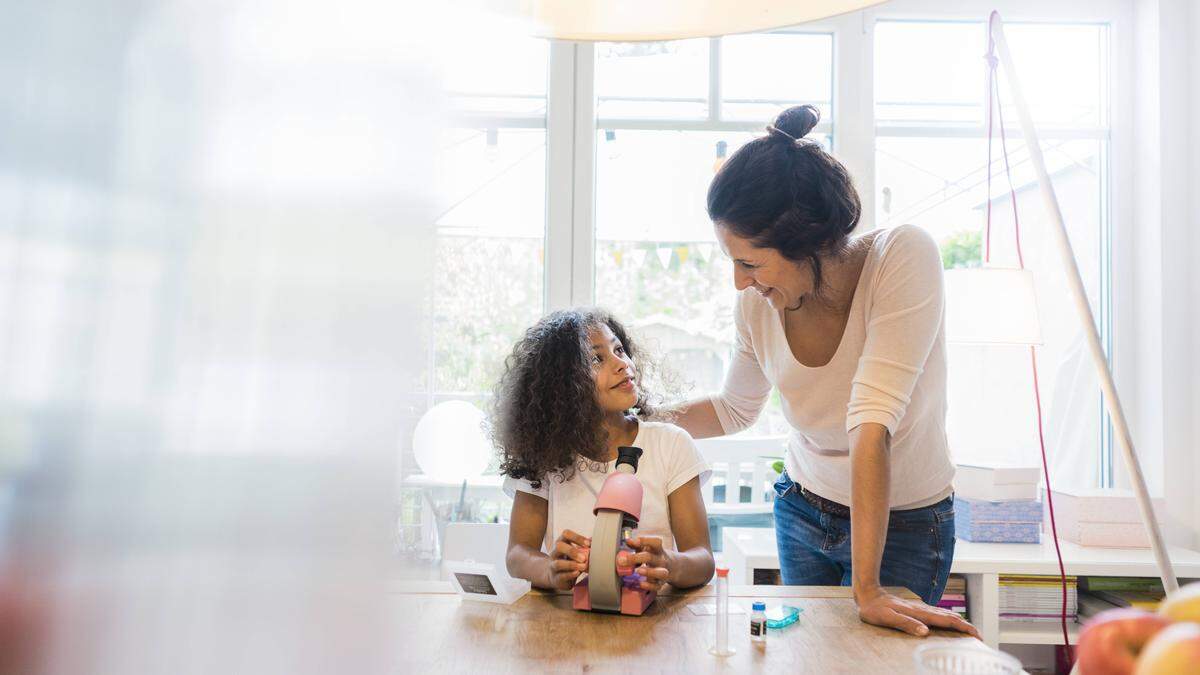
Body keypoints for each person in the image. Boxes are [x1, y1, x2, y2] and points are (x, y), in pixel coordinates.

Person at [673, 104, 978, 638]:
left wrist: (869, 591)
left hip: (904, 522)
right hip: (803, 508)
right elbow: (733, 409)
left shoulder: (903, 257)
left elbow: (872, 422)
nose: (740, 282)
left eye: (749, 262)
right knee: (808, 656)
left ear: (805, 244)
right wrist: (624, 419)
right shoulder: (757, 306)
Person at [494, 308, 714, 593]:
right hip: (566, 620)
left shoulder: (671, 445)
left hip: (652, 621)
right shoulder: (543, 457)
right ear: (561, 385)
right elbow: (518, 554)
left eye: (619, 349)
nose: (621, 364)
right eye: (597, 358)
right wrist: (549, 570)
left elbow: (703, 559)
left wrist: (670, 564)